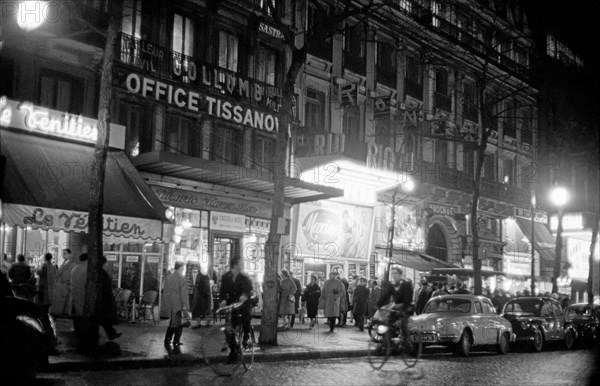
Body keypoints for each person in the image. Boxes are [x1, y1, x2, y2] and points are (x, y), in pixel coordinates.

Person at [219, 256, 253, 364]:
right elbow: (222, 291)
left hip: (243, 304)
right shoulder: (225, 277)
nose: (242, 265)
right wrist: (223, 300)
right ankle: (233, 351)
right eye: (241, 263)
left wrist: (244, 295)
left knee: (245, 318)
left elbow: (248, 289)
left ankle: (246, 337)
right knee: (229, 329)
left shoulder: (244, 277)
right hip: (232, 305)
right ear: (235, 265)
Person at [160, 261, 189, 353]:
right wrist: (185, 306)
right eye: (183, 267)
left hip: (171, 304)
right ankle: (173, 340)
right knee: (178, 324)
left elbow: (165, 292)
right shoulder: (182, 279)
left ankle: (171, 340)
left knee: (174, 322)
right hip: (178, 304)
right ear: (180, 267)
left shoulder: (169, 278)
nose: (184, 269)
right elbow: (183, 294)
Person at [377, 267, 413, 338]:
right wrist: (378, 304)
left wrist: (403, 309)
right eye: (392, 273)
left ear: (400, 275)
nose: (393, 275)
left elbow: (408, 299)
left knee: (404, 325)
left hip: (406, 308)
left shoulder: (406, 285)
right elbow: (385, 295)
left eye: (395, 273)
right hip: (397, 308)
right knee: (387, 322)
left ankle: (406, 342)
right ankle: (388, 341)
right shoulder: (392, 285)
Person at [70, 253, 90, 353]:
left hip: (75, 297)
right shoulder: (89, 270)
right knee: (85, 322)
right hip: (85, 297)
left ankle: (79, 342)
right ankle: (85, 344)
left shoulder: (75, 269)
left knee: (77, 321)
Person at [98, 256, 121, 340]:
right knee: (105, 320)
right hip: (105, 301)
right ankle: (110, 333)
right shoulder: (103, 274)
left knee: (104, 320)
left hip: (104, 301)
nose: (107, 265)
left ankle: (110, 333)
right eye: (106, 263)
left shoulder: (100, 274)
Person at [52, 249, 76, 316]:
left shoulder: (72, 264)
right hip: (61, 286)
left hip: (66, 285)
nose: (63, 255)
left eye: (65, 254)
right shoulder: (63, 263)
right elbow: (59, 273)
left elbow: (67, 275)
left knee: (66, 303)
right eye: (63, 254)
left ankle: (65, 314)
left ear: (70, 254)